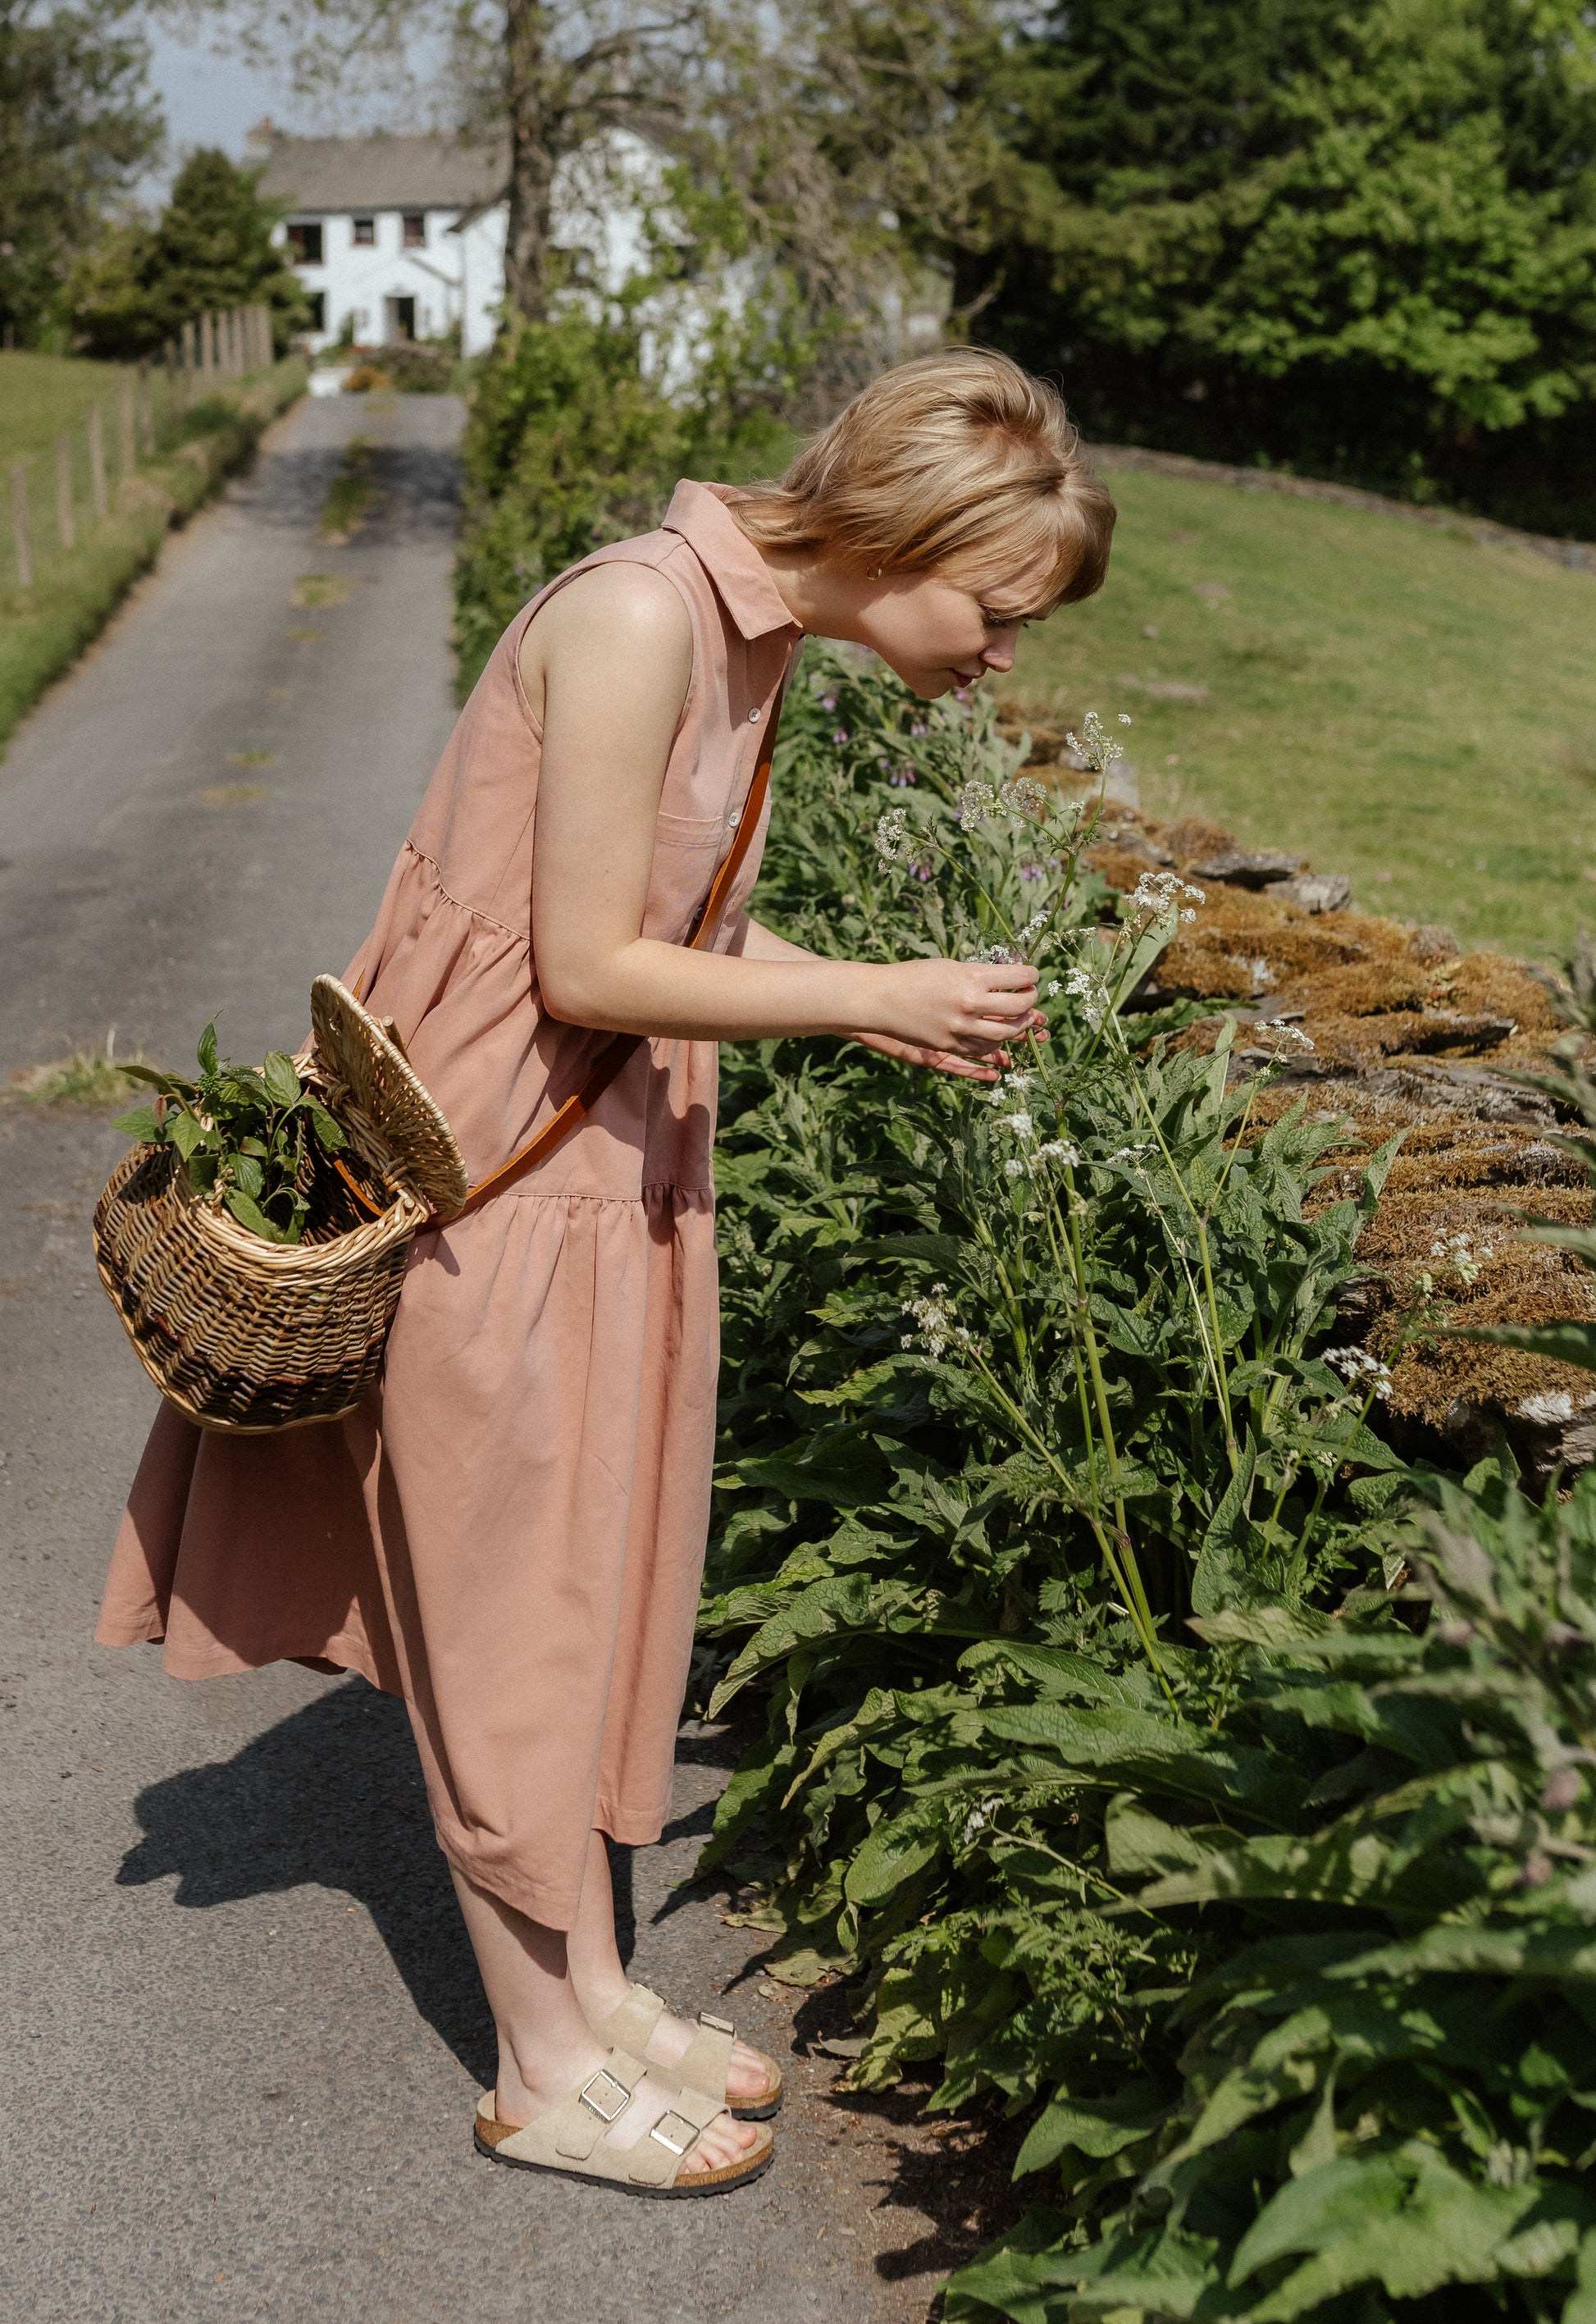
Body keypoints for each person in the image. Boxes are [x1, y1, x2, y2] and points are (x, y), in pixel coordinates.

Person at [97, 347, 1116, 2196]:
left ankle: (589, 1980)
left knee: (585, 1576)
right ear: (904, 534)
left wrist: (862, 1011)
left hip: (607, 1160)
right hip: (504, 1173)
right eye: (999, 603)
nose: (1001, 651)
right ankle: (537, 2062)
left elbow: (680, 925)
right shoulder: (645, 620)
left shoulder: (756, 634)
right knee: (510, 1617)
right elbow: (585, 966)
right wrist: (863, 996)